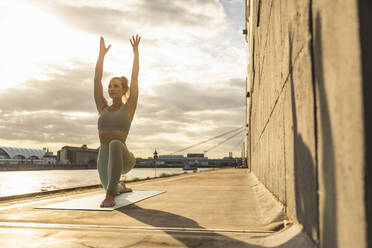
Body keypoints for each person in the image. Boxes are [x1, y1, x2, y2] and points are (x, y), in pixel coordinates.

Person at [94, 35, 141, 207]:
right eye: (110, 86)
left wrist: (135, 53)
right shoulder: (102, 108)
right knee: (109, 184)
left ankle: (110, 196)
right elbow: (96, 80)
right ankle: (119, 187)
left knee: (114, 143)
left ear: (123, 90)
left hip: (125, 158)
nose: (111, 88)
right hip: (105, 157)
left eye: (116, 86)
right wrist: (101, 55)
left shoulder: (128, 108)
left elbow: (135, 79)